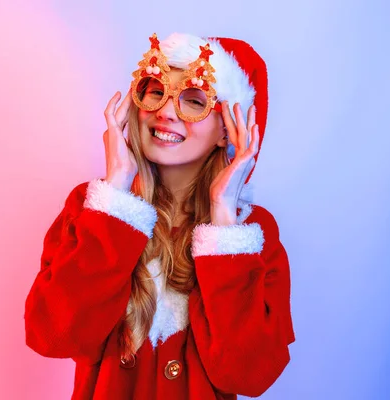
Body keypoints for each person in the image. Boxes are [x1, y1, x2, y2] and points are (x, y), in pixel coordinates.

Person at [24, 32, 295, 400]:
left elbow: (248, 376)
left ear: (227, 129)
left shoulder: (251, 232)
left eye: (194, 101)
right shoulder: (94, 208)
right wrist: (117, 191)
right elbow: (53, 336)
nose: (166, 111)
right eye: (156, 91)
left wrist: (223, 220)